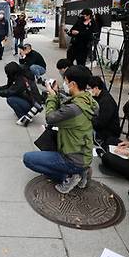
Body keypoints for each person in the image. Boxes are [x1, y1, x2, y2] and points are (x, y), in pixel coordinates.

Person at [22, 65, 96, 194]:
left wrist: (51, 96)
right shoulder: (89, 100)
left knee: (28, 159)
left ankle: (69, 177)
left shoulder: (73, 109)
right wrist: (57, 94)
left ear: (73, 83)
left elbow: (50, 118)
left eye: (66, 81)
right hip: (84, 154)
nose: (65, 84)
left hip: (72, 158)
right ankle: (82, 171)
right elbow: (69, 107)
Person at [87, 76, 120, 149]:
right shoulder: (99, 96)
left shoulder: (106, 101)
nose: (88, 91)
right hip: (104, 127)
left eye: (89, 88)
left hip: (109, 133)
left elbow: (100, 123)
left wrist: (88, 117)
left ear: (95, 88)